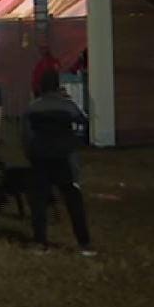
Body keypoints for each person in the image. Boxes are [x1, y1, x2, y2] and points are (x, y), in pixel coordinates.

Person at [24, 70, 93, 254]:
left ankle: (40, 241)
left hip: (40, 156)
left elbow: (27, 134)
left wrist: (30, 153)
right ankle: (83, 242)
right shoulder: (67, 105)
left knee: (38, 201)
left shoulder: (33, 107)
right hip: (63, 156)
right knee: (73, 200)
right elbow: (83, 121)